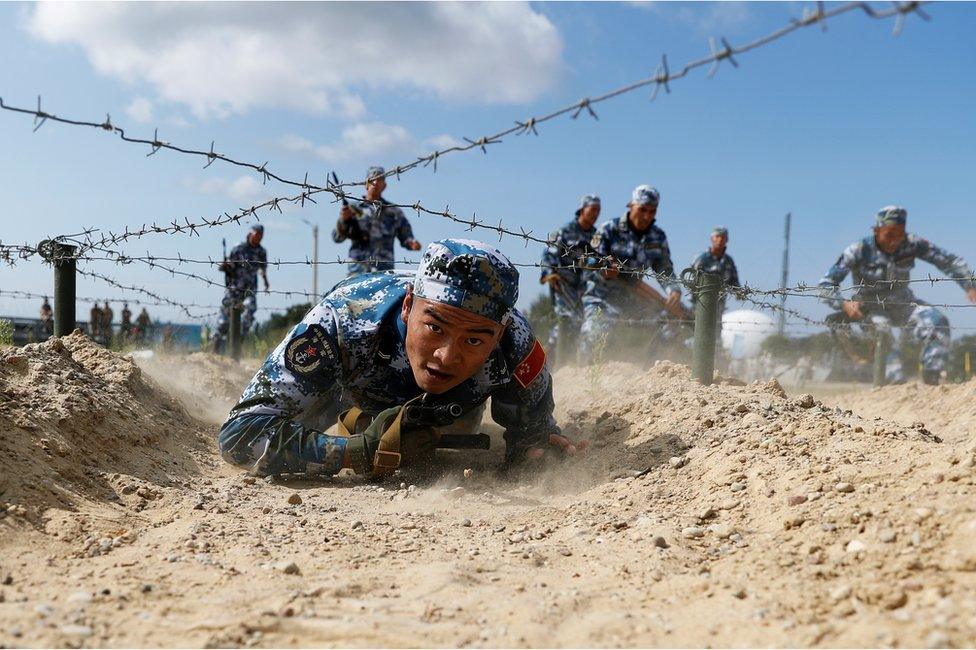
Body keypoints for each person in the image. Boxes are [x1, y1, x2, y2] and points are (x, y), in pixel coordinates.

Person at [218, 239, 583, 478]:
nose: (446, 356)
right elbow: (240, 434)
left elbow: (533, 438)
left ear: (497, 335)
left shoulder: (516, 344)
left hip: (451, 408)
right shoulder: (343, 319)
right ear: (408, 306)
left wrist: (537, 451)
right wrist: (354, 451)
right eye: (435, 329)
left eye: (473, 340)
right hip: (348, 392)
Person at [818, 205, 976, 385]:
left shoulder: (912, 243)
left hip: (904, 305)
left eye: (899, 234)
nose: (894, 241)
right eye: (889, 235)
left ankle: (933, 380)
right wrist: (843, 304)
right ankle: (893, 385)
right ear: (876, 231)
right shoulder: (858, 250)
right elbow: (825, 285)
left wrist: (969, 284)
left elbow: (949, 261)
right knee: (883, 333)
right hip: (871, 308)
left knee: (937, 321)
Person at [579, 185, 682, 362]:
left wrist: (673, 290)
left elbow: (665, 269)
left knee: (672, 327)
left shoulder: (658, 237)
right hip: (601, 297)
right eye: (643, 210)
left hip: (634, 300)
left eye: (652, 211)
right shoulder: (608, 230)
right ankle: (584, 373)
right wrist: (604, 268)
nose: (647, 216)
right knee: (596, 332)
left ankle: (651, 374)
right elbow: (587, 260)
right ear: (631, 206)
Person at [540, 194, 600, 366]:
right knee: (565, 322)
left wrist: (592, 263)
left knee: (581, 324)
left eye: (598, 210)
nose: (595, 214)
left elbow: (598, 258)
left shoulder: (596, 236)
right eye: (592, 209)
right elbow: (549, 253)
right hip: (562, 283)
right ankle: (546, 362)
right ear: (582, 209)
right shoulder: (565, 231)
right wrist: (548, 273)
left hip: (584, 287)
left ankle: (570, 365)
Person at [332, 165, 421, 276]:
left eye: (379, 180)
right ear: (366, 184)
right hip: (358, 269)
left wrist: (412, 243)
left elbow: (406, 236)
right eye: (372, 180)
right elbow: (337, 237)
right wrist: (344, 220)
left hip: (384, 271)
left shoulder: (393, 211)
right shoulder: (353, 209)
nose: (375, 183)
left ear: (384, 185)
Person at [213, 224, 270, 352]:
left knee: (250, 312)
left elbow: (263, 269)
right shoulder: (238, 248)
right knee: (224, 321)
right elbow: (229, 267)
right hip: (234, 288)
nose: (259, 238)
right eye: (257, 234)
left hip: (250, 289)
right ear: (251, 233)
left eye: (261, 235)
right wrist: (225, 267)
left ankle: (238, 343)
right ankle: (215, 346)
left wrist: (266, 282)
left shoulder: (262, 252)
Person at [690, 226, 741, 348]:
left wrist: (740, 293)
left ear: (727, 240)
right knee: (698, 333)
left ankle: (714, 360)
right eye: (717, 236)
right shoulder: (701, 259)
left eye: (723, 237)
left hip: (719, 305)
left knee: (716, 334)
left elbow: (734, 282)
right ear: (712, 238)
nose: (720, 240)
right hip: (701, 304)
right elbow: (692, 283)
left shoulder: (728, 261)